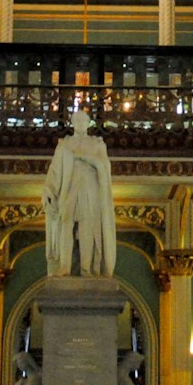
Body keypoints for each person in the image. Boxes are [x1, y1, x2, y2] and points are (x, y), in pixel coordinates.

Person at [43, 108, 115, 277]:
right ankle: (65, 267)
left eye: (84, 121)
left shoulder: (97, 144)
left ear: (88, 123)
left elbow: (105, 167)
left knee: (87, 228)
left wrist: (88, 159)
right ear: (73, 123)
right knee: (65, 225)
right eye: (77, 120)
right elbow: (54, 170)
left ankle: (86, 269)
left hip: (90, 190)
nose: (80, 124)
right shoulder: (64, 145)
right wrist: (49, 189)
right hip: (69, 189)